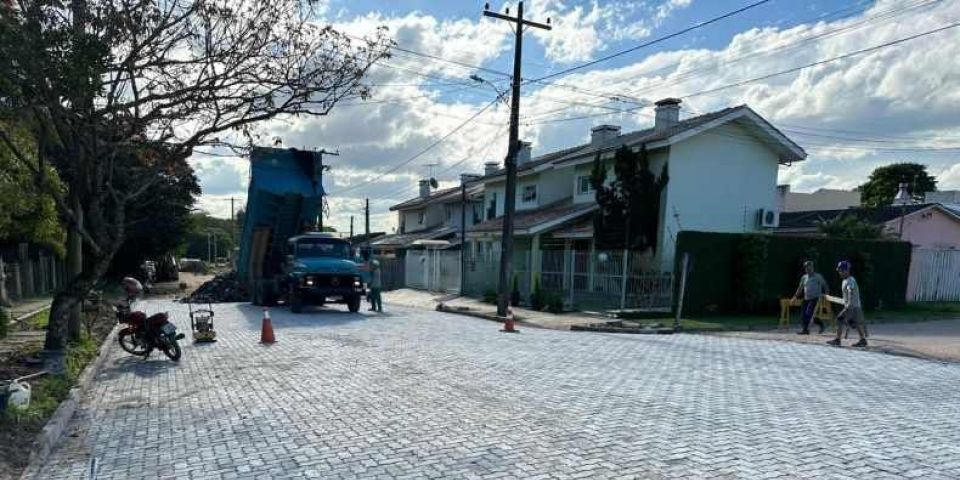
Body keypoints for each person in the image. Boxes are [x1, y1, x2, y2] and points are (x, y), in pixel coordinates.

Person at [828, 261, 868, 348]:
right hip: (854, 306)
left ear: (846, 270)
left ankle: (837, 340)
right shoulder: (845, 280)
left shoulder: (850, 280)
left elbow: (851, 291)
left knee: (840, 319)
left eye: (841, 271)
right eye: (839, 271)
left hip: (852, 306)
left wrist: (849, 304)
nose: (840, 273)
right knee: (855, 323)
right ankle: (863, 340)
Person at [793, 260, 828, 335]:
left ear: (813, 268)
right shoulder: (804, 277)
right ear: (805, 269)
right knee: (803, 315)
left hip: (815, 298)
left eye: (810, 267)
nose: (808, 269)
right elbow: (800, 288)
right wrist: (795, 297)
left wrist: (826, 295)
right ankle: (805, 330)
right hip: (806, 298)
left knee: (809, 313)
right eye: (806, 268)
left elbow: (825, 285)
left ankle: (821, 324)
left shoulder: (818, 276)